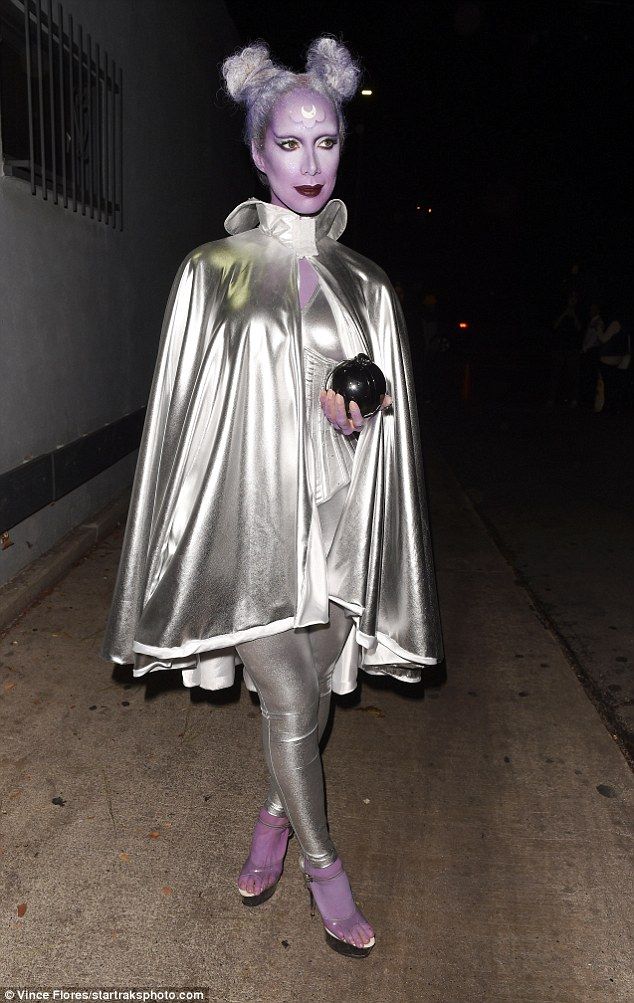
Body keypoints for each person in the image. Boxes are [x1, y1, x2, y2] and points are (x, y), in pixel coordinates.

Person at [100, 37, 443, 958]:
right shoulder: (212, 271)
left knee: (313, 705)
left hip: (335, 530)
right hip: (249, 531)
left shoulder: (366, 281)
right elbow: (186, 415)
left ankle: (274, 808)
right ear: (257, 151)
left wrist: (352, 413)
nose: (309, 162)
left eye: (325, 141)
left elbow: (383, 425)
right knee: (290, 697)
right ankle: (321, 862)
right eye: (287, 144)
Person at [545, 291, 582, 409]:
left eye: (575, 297)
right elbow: (554, 326)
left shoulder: (580, 311)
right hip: (559, 347)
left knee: (573, 375)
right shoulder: (559, 309)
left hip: (573, 349)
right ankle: (551, 399)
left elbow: (580, 328)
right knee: (555, 374)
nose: (573, 299)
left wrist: (574, 315)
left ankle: (573, 400)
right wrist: (564, 314)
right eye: (571, 297)